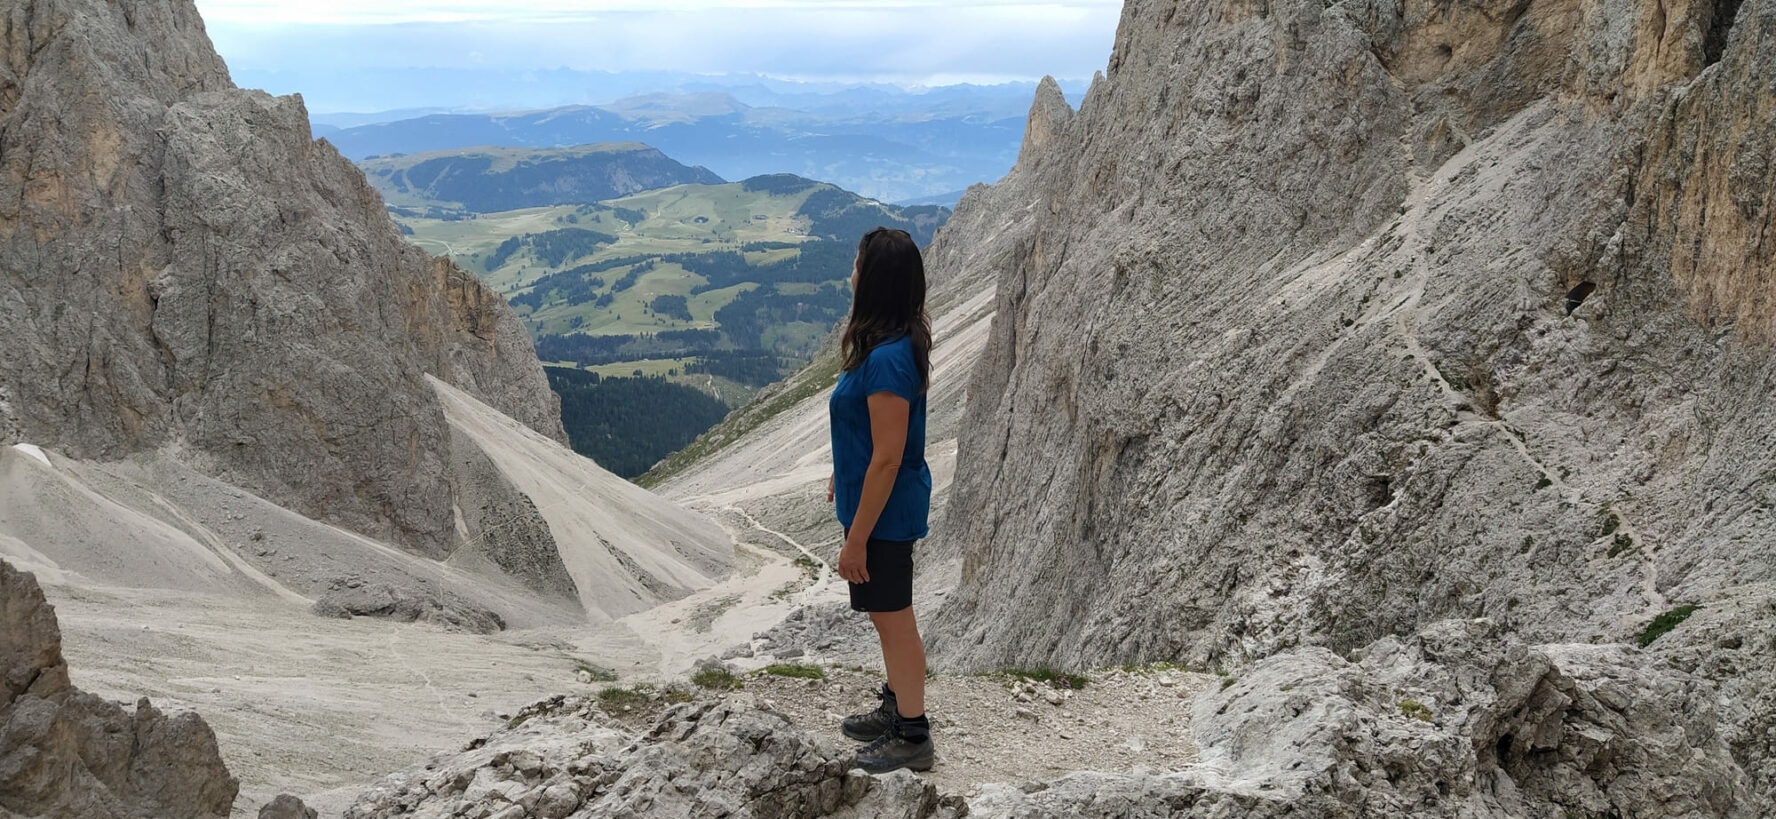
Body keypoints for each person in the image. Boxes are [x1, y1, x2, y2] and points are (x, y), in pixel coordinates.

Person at [826, 226, 934, 774]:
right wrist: (840, 468)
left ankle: (913, 734)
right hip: (877, 505)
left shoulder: (888, 358)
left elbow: (888, 458)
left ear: (874, 281)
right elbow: (871, 437)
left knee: (894, 618)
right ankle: (897, 706)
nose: (851, 273)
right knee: (883, 614)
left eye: (857, 264)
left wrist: (857, 540)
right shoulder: (886, 345)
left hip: (884, 515)